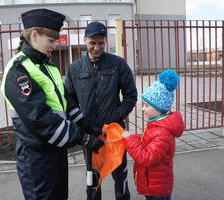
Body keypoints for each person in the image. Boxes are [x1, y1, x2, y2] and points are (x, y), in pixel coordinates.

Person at [0, 9, 104, 200]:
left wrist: (85, 123)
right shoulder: (19, 70)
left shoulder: (48, 66)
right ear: (34, 35)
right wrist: (84, 138)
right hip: (36, 154)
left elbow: (64, 102)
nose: (54, 46)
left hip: (55, 149)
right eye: (50, 40)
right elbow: (39, 119)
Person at [65, 21, 138, 200]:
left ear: (105, 41)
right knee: (92, 179)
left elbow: (131, 95)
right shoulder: (75, 68)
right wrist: (83, 122)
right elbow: (69, 100)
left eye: (100, 42)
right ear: (85, 41)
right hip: (89, 134)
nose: (97, 47)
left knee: (120, 176)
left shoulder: (118, 64)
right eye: (92, 43)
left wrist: (117, 115)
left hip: (114, 132)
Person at [122, 69, 184, 200]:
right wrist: (135, 138)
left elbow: (147, 158)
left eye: (146, 106)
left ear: (159, 108)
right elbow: (149, 143)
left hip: (157, 188)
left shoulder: (162, 132)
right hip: (152, 183)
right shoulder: (156, 125)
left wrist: (130, 140)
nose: (143, 109)